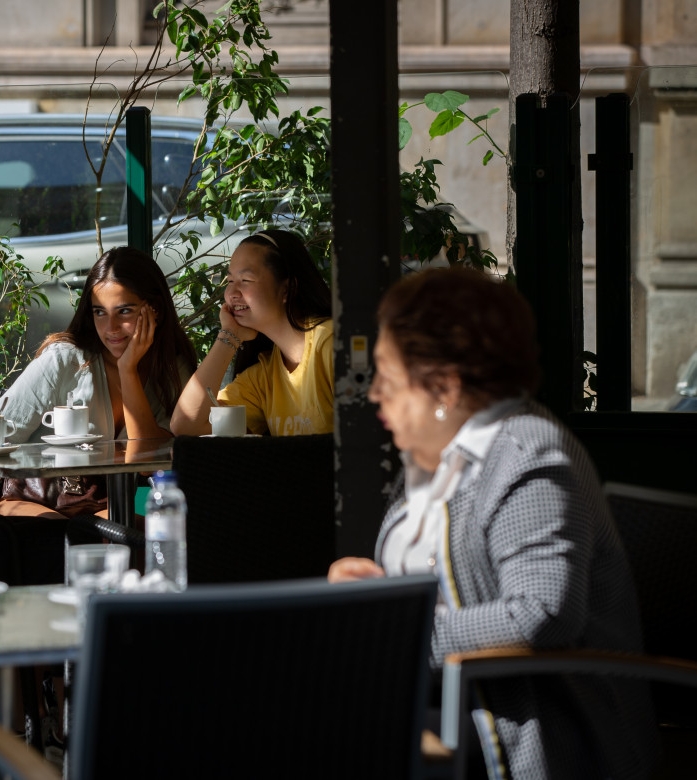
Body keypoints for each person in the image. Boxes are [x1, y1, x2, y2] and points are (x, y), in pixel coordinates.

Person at [327, 266, 657, 780]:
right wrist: (385, 593)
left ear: (445, 387)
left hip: (517, 737)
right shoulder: (437, 459)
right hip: (441, 709)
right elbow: (454, 587)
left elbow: (542, 614)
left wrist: (394, 631)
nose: (373, 397)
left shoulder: (526, 455)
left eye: (387, 381)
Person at [0, 245, 197, 517]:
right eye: (100, 312)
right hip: (19, 492)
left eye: (124, 311)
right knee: (56, 535)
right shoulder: (67, 359)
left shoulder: (172, 369)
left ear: (154, 310)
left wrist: (128, 371)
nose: (110, 328)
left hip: (101, 499)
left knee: (146, 524)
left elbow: (146, 462)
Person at [170, 228, 334, 437]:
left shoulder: (330, 344)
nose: (231, 293)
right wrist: (229, 335)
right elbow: (186, 425)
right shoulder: (264, 375)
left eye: (245, 280)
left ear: (288, 289)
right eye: (229, 282)